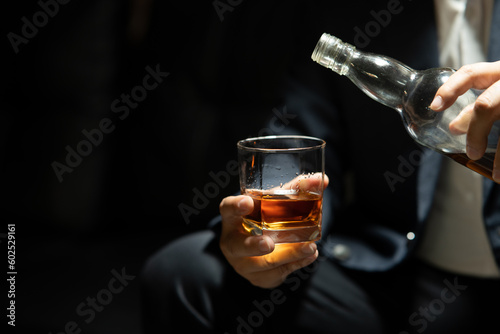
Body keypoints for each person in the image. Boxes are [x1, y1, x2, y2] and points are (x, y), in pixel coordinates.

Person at [141, 1, 500, 333]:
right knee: (181, 269)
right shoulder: (351, 8)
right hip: (401, 279)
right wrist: (266, 239)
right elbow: (298, 138)